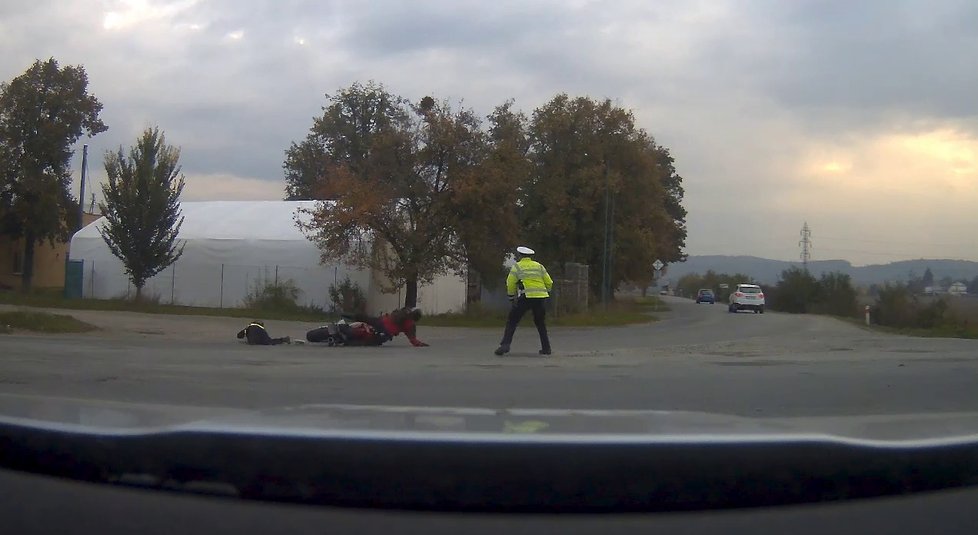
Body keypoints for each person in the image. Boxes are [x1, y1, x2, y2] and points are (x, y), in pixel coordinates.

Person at [495, 246, 553, 356]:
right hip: (540, 297)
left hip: (526, 297)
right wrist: (545, 292)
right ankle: (546, 348)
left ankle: (505, 345)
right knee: (540, 323)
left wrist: (511, 297)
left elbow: (510, 283)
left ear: (519, 256)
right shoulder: (539, 266)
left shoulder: (517, 267)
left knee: (512, 320)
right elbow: (549, 282)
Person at [346, 307, 429, 347]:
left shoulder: (404, 312)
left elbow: (393, 314)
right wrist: (422, 344)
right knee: (370, 342)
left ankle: (346, 315)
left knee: (366, 318)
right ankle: (348, 342)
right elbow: (413, 340)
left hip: (381, 321)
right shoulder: (411, 325)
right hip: (386, 332)